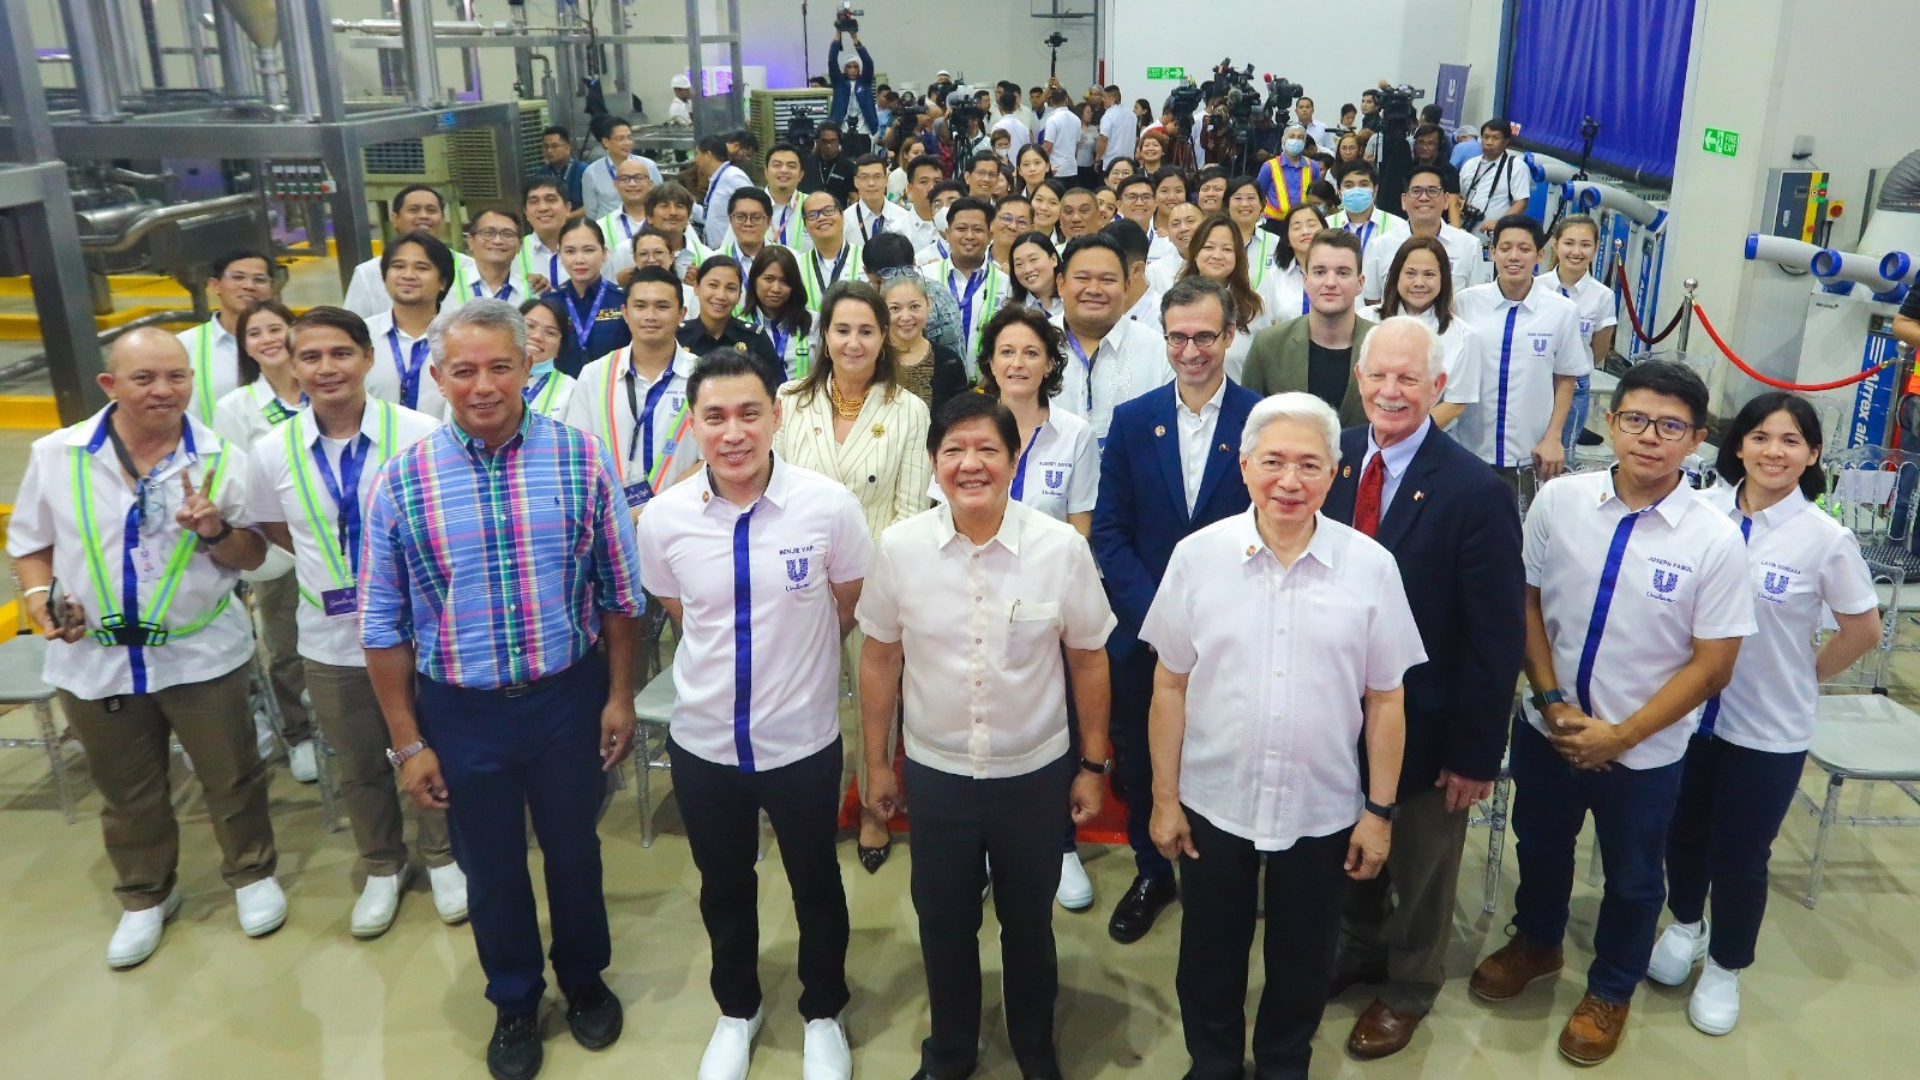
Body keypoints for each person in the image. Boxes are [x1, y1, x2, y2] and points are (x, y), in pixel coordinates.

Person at [362, 300, 642, 1080]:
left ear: (527, 368)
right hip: (460, 707)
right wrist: (408, 740)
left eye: (499, 367)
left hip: (566, 696)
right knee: (488, 865)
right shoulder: (403, 480)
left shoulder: (580, 459)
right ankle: (515, 1000)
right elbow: (383, 623)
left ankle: (584, 980)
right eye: (464, 370)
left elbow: (620, 593)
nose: (483, 385)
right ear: (437, 375)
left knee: (575, 851)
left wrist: (619, 696)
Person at [1469, 360, 1755, 1066]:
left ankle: (1612, 987)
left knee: (1632, 876)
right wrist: (1548, 698)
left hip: (1644, 751)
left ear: (1698, 439)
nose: (1649, 438)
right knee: (1538, 845)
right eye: (1634, 419)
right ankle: (1536, 941)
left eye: (1670, 426)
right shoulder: (1558, 502)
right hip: (1548, 730)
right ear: (1612, 421)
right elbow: (1527, 603)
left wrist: (1621, 735)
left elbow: (1714, 663)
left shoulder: (1714, 538)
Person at [1144, 383, 1418, 1080]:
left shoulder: (1370, 568)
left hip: (1320, 806)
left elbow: (1386, 700)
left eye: (1308, 465)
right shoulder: (1198, 557)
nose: (1288, 482)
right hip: (1213, 797)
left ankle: (1282, 1064)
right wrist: (1165, 798)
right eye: (1272, 462)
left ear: (1335, 472)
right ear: (1243, 466)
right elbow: (1169, 684)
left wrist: (1379, 812)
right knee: (1209, 952)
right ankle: (1212, 1062)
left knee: (1301, 956)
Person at [858, 392, 1116, 1080]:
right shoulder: (900, 548)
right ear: (934, 463)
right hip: (938, 773)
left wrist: (1092, 764)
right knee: (944, 924)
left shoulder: (1059, 548)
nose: (970, 465)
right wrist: (877, 764)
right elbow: (879, 655)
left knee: (1028, 923)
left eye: (987, 450)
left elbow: (1089, 656)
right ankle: (950, 1050)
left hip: (1033, 772)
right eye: (953, 451)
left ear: (1013, 459)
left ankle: (1035, 1045)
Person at [9, 328, 282, 969]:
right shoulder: (59, 454)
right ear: (110, 385)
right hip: (95, 656)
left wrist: (215, 529)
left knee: (231, 773)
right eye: (145, 378)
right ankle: (144, 895)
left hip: (199, 652)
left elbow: (256, 553)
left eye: (177, 377)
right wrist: (40, 595)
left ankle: (251, 873)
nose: (164, 390)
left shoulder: (220, 457)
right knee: (128, 789)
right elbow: (30, 543)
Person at [636, 352, 868, 1080]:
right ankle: (737, 1009)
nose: (732, 432)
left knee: (815, 882)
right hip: (705, 743)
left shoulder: (828, 507)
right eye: (714, 416)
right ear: (694, 425)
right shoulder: (666, 518)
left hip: (801, 740)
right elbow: (681, 614)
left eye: (748, 414)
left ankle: (823, 1009)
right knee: (723, 883)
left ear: (775, 416)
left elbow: (847, 602)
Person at [1319, 316, 1524, 1059]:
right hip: (1337, 714)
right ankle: (1358, 947)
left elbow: (1494, 638)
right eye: (1378, 376)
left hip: (1432, 724)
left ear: (1439, 388)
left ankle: (1408, 986)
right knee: (1353, 849)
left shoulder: (1477, 491)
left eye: (1410, 378)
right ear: (1359, 380)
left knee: (1423, 866)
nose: (1391, 391)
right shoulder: (1329, 460)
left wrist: (1475, 754)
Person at [1648, 393, 1880, 1036]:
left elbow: (1863, 629)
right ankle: (1686, 925)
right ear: (1737, 445)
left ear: (1810, 455)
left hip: (1766, 728)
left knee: (1743, 854)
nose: (1773, 452)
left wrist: (1805, 677)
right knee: (1682, 831)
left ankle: (1726, 965)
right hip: (1688, 718)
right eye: (1759, 437)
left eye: (1790, 441)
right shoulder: (1699, 514)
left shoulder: (1824, 538)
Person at [242, 304, 466, 939]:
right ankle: (381, 864)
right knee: (358, 758)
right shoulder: (271, 450)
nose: (326, 367)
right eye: (309, 356)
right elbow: (278, 531)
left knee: (432, 745)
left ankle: (444, 855)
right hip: (330, 637)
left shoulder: (423, 431)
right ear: (292, 364)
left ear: (368, 358)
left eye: (340, 352)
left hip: (422, 633)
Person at [1093, 277, 1260, 945]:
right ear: (1163, 339)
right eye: (1178, 337)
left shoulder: (1263, 420)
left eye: (1205, 336)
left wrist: (1217, 618)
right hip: (1150, 634)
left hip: (1235, 634)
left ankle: (1227, 873)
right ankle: (1151, 871)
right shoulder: (1134, 421)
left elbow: (1275, 525)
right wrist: (1159, 619)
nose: (1192, 351)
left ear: (1228, 336)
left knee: (1227, 751)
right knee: (1143, 758)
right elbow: (1109, 531)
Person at [772, 281, 932, 867]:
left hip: (874, 582)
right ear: (825, 336)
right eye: (842, 329)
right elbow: (775, 495)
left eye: (867, 330)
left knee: (876, 702)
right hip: (799, 580)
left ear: (884, 337)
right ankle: (804, 805)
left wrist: (866, 580)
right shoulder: (790, 400)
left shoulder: (908, 409)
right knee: (804, 698)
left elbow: (912, 508)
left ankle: (872, 804)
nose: (854, 341)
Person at [211, 299, 316, 775]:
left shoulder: (324, 385)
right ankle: (300, 733)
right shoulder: (236, 407)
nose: (269, 339)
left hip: (335, 536)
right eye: (255, 334)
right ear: (245, 347)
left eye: (277, 328)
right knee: (285, 642)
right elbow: (235, 481)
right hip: (276, 543)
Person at [1451, 215, 1587, 485]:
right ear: (1492, 253)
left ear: (1540, 255)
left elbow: (1566, 379)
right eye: (1505, 248)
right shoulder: (1465, 303)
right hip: (1468, 451)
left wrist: (1553, 437)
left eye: (1524, 249)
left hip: (1530, 456)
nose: (1514, 256)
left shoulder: (1562, 312)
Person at [562, 267, 706, 511]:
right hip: (611, 520)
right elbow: (578, 456)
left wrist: (659, 508)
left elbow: (709, 459)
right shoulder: (594, 375)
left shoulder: (705, 376)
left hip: (687, 515)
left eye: (662, 306)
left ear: (682, 313)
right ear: (625, 313)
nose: (650, 315)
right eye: (640, 306)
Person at [1242, 229, 1375, 425]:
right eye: (1320, 272)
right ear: (1305, 280)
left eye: (1343, 273)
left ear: (1360, 283)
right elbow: (1248, 423)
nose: (1330, 282)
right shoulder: (1268, 345)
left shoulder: (1382, 345)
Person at [1049, 233, 1171, 442]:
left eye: (1107, 280)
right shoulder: (1033, 343)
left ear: (1126, 286)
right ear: (1061, 284)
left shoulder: (1158, 350)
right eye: (1082, 278)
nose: (1094, 289)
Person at [1363, 237, 1483, 428]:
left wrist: (1405, 436)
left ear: (1443, 279)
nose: (1419, 282)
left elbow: (1455, 404)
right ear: (1396, 276)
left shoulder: (1464, 336)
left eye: (1429, 274)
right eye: (1410, 273)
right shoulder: (1365, 320)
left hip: (1426, 442)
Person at [342, 185, 479, 319]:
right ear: (395, 219)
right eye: (413, 210)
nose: (423, 216)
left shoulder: (468, 267)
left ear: (442, 219)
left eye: (431, 210)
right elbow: (352, 326)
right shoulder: (368, 272)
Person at [1542, 215, 1618, 454]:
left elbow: (1599, 348)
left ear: (1596, 248)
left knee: (1562, 452)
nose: (1576, 251)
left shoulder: (1603, 296)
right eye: (1569, 243)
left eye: (1585, 245)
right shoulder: (1536, 286)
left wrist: (1575, 364)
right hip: (1537, 378)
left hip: (1576, 383)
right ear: (1555, 244)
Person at [177, 248, 275, 425]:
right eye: (237, 277)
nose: (249, 286)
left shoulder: (291, 340)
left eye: (259, 280)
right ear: (214, 285)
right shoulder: (183, 346)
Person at [1361, 164, 1485, 302]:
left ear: (1445, 200)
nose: (1424, 197)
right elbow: (1372, 300)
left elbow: (1475, 300)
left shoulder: (1469, 245)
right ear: (1404, 200)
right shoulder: (1380, 245)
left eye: (1432, 191)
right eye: (1416, 191)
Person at [1172, 214, 1274, 383]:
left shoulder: (1255, 307)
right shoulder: (1175, 303)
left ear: (1238, 257)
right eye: (1208, 247)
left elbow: (1266, 367)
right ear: (1195, 253)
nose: (1217, 256)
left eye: (1227, 249)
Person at [364, 231, 455, 417]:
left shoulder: (462, 337)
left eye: (421, 268)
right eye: (398, 266)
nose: (408, 275)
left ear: (443, 282)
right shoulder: (362, 335)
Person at [923, 198, 1010, 362]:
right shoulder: (926, 278)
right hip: (934, 382)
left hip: (988, 384)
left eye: (977, 230)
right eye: (961, 229)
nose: (969, 236)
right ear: (947, 233)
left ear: (990, 236)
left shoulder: (1006, 284)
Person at [546, 218, 632, 377]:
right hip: (564, 396)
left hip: (613, 391)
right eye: (570, 251)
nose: (579, 260)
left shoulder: (624, 300)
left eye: (588, 250)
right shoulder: (549, 304)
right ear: (560, 256)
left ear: (605, 253)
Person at [881, 270, 968, 410]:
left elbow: (960, 419)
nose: (906, 317)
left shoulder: (949, 361)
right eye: (895, 308)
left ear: (928, 304)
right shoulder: (873, 359)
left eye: (914, 307)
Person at [677, 255, 779, 373]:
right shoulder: (678, 337)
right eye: (713, 285)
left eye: (731, 288)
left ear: (739, 295)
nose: (721, 296)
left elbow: (774, 387)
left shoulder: (755, 339)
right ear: (696, 288)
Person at [742, 246, 815, 381]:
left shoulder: (814, 323)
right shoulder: (739, 326)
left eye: (785, 281)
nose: (776, 289)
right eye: (769, 279)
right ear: (754, 280)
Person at [580, 114, 664, 222]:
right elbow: (591, 212)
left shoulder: (648, 166)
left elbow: (660, 199)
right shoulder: (592, 172)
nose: (627, 143)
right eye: (621, 139)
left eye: (629, 138)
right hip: (609, 232)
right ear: (606, 142)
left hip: (644, 228)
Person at [796, 190, 865, 314]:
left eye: (828, 211)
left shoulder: (865, 258)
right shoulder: (796, 264)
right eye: (812, 215)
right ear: (805, 225)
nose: (822, 218)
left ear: (842, 216)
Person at [453, 208, 535, 309]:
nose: (498, 241)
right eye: (488, 233)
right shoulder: (448, 285)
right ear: (470, 240)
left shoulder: (534, 290)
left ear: (519, 245)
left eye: (507, 234)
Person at [1461, 119, 1528, 235]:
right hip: (1465, 230)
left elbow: (1521, 202)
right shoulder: (1470, 164)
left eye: (1495, 138)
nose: (1489, 142)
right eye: (1485, 137)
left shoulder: (1516, 166)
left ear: (1506, 142)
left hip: (1495, 234)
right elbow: (1458, 196)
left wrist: (1500, 223)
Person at [1328, 160, 1409, 251]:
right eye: (1349, 185)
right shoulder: (1327, 225)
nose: (1356, 191)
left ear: (1375, 189)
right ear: (1339, 192)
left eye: (1363, 185)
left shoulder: (1397, 226)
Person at [597, 158, 655, 284]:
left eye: (638, 178)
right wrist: (615, 281)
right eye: (624, 179)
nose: (632, 184)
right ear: (616, 185)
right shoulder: (600, 227)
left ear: (650, 184)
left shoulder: (666, 220)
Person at [518, 297, 578, 419]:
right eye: (530, 325)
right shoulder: (491, 378)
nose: (537, 336)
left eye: (550, 333)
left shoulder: (571, 390)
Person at [1257, 124, 1325, 227]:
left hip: (1303, 221)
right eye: (1292, 136)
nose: (1295, 140)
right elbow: (1259, 193)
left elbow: (1317, 194)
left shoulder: (1312, 166)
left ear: (1304, 142)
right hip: (1274, 222)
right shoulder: (1269, 166)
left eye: (1300, 137)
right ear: (1284, 140)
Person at [644, 182, 711, 282]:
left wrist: (696, 289)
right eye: (664, 205)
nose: (673, 212)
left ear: (688, 217)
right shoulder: (629, 251)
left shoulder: (707, 256)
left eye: (679, 206)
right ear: (649, 217)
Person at [826, 28, 880, 153]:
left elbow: (868, 62)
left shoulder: (865, 82)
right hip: (842, 131)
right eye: (849, 67)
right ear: (844, 69)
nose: (852, 70)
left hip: (864, 131)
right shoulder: (839, 83)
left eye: (855, 67)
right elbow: (832, 60)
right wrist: (838, 33)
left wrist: (855, 39)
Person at [693, 135, 751, 248]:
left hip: (734, 251)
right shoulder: (717, 179)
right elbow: (710, 217)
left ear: (708, 155)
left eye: (697, 154)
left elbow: (754, 208)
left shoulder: (733, 176)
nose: (695, 160)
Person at [517, 179, 572, 295]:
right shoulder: (514, 253)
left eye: (551, 200)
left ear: (567, 208)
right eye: (534, 201)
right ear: (525, 212)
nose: (542, 208)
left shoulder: (589, 249)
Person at [754, 142, 812, 251]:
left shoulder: (813, 205)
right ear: (766, 172)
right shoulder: (749, 205)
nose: (784, 170)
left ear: (800, 175)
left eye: (791, 166)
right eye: (777, 165)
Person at [712, 187, 776, 282]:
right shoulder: (714, 260)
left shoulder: (786, 258)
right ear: (731, 220)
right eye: (740, 217)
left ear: (768, 221)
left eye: (756, 217)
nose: (748, 223)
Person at [846, 153, 912, 241]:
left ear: (886, 180)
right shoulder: (844, 221)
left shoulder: (904, 218)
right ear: (855, 181)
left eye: (877, 177)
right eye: (864, 177)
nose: (871, 183)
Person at [897, 153, 947, 253]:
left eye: (937, 182)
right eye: (923, 182)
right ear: (909, 189)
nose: (932, 188)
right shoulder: (898, 232)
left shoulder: (957, 227)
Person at [533, 124, 587, 214]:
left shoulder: (584, 171)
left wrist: (566, 219)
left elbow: (591, 205)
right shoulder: (540, 174)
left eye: (554, 146)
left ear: (567, 147)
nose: (549, 150)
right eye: (546, 147)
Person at [803, 121, 858, 206]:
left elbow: (854, 197)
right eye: (824, 141)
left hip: (837, 214)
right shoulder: (806, 163)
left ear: (839, 141)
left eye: (833, 141)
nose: (828, 145)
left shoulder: (848, 166)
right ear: (818, 141)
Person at [1010, 231, 1063, 317]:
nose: (1027, 270)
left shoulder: (1074, 302)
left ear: (1053, 259)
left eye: (1033, 259)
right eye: (1019, 264)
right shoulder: (1013, 314)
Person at [1040, 87, 1084, 182]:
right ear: (1066, 100)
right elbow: (1077, 145)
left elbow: (1048, 146)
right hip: (1072, 167)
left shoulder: (1052, 119)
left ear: (1051, 101)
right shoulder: (1076, 119)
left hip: (1055, 168)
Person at [1098, 84, 1137, 168]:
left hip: (1111, 162)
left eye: (1104, 97)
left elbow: (1103, 139)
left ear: (1112, 99)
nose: (1102, 100)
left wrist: (1098, 158)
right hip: (1129, 162)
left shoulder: (1108, 116)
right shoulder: (1132, 115)